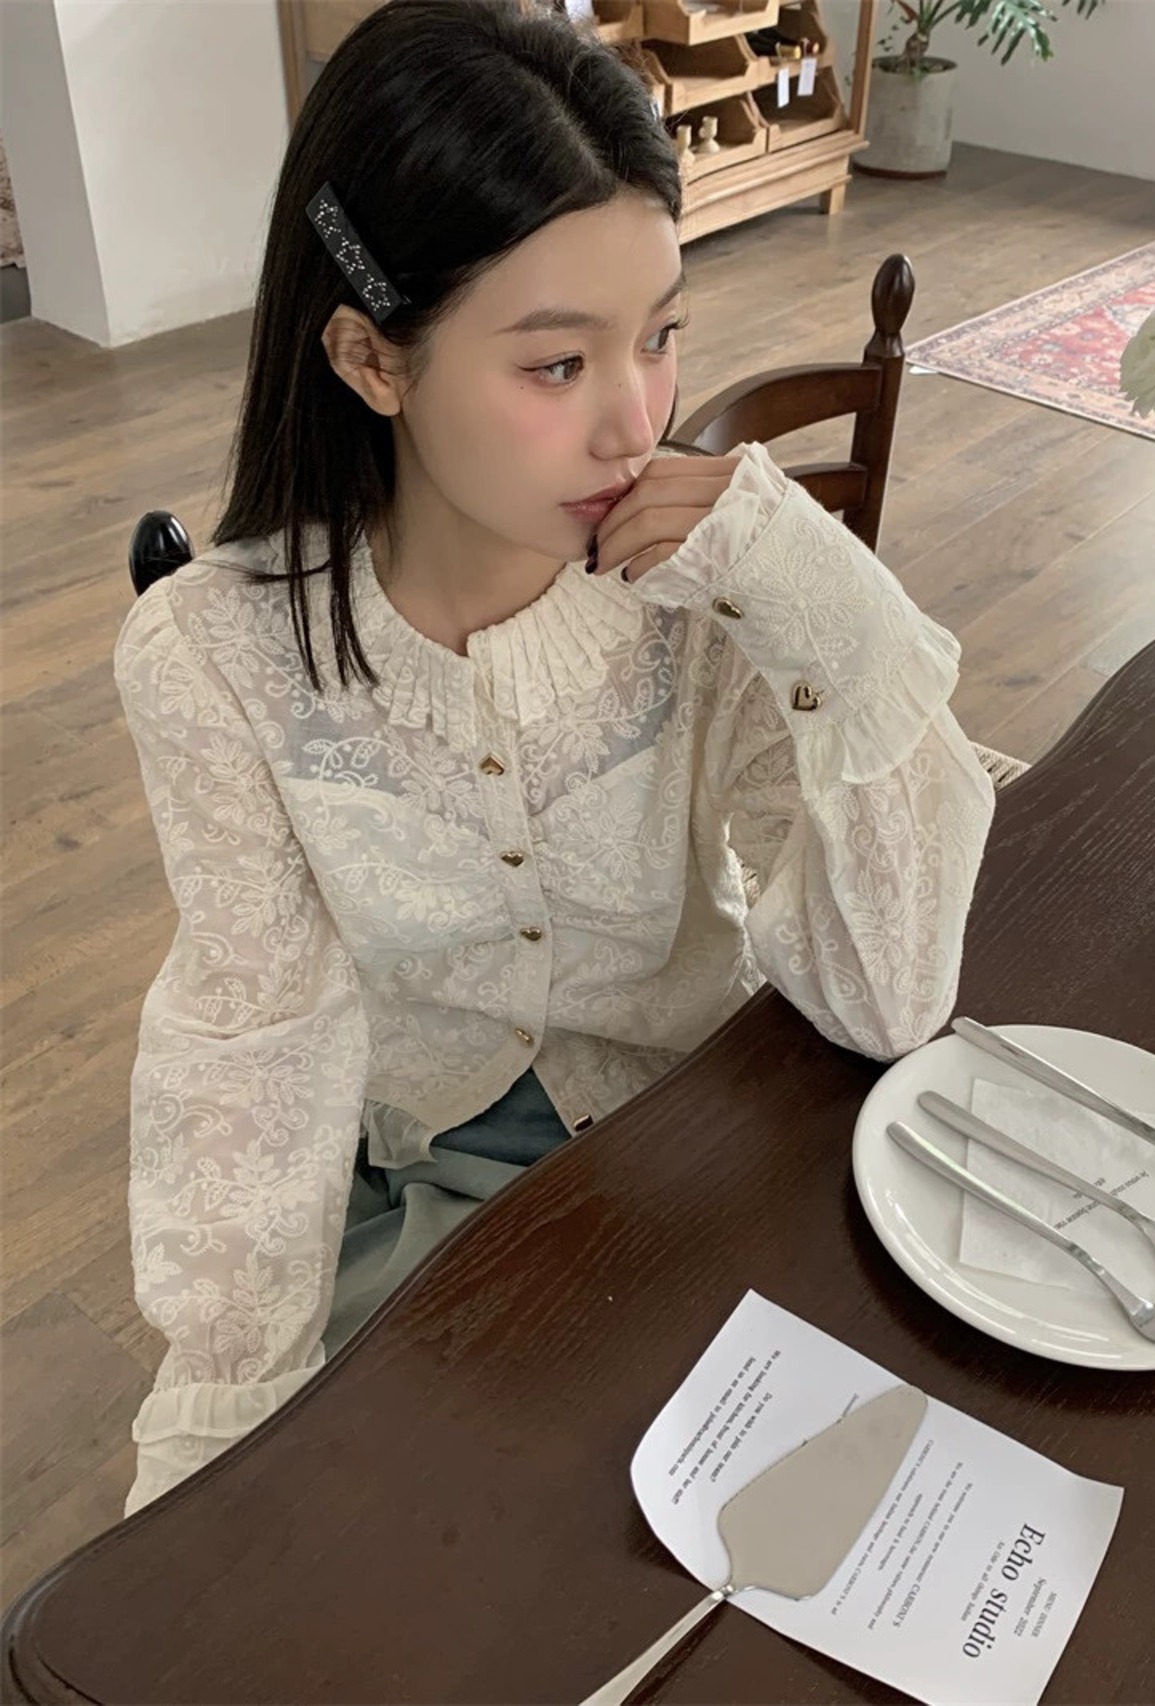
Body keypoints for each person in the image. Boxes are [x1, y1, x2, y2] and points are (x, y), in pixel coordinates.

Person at [113, 0, 995, 1516]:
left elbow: (887, 998)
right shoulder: (219, 660)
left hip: (715, 1157)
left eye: (661, 336)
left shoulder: (712, 594)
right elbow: (253, 1054)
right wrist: (212, 1451)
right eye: (556, 365)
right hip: (425, 1211)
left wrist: (834, 612)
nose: (636, 423)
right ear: (370, 358)